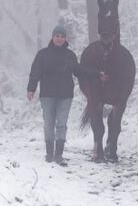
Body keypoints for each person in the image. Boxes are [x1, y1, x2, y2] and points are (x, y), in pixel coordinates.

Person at [27, 24, 108, 165]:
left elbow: (80, 70)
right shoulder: (43, 54)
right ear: (52, 37)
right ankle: (49, 154)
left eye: (62, 36)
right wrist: (31, 89)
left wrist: (97, 75)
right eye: (57, 36)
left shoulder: (69, 55)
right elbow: (35, 72)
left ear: (65, 39)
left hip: (65, 96)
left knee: (62, 125)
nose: (59, 39)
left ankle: (58, 155)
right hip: (47, 95)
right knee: (49, 124)